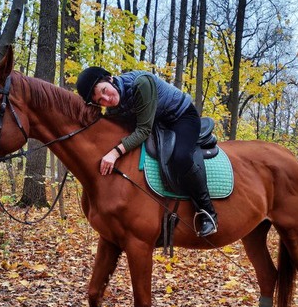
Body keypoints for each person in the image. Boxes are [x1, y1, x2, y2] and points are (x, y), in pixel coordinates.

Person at [76, 67, 218, 237]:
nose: (107, 99)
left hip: (181, 117)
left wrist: (114, 153)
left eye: (104, 91)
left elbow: (143, 130)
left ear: (110, 79)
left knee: (180, 157)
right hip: (157, 122)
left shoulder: (141, 83)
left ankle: (207, 212)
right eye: (100, 101)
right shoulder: (113, 106)